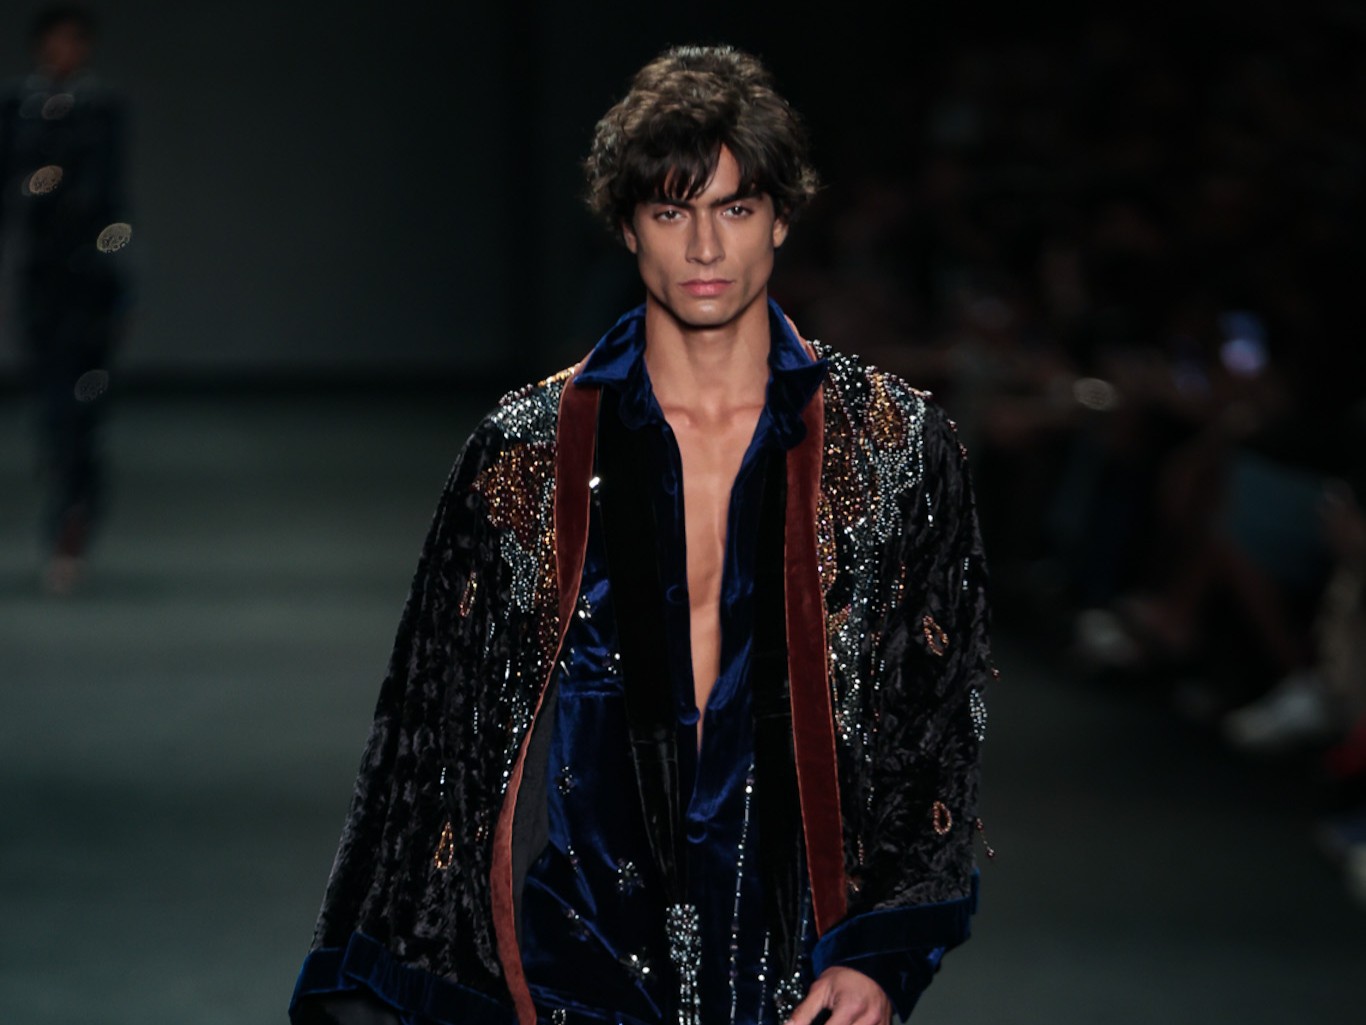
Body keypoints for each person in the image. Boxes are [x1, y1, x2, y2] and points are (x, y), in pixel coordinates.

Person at [291, 45, 993, 1025]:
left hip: (795, 952)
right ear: (626, 226)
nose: (704, 247)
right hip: (572, 944)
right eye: (671, 212)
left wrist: (882, 955)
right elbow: (435, 730)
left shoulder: (892, 444)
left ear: (782, 218)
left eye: (734, 209)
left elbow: (937, 716)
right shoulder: (524, 450)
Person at [0, 4, 130, 594]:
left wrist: (116, 269)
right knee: (54, 408)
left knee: (84, 406)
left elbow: (114, 202)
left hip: (94, 281)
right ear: (40, 47)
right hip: (39, 280)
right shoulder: (17, 107)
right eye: (56, 42)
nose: (65, 53)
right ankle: (67, 508)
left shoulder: (103, 109)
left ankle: (72, 525)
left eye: (75, 42)